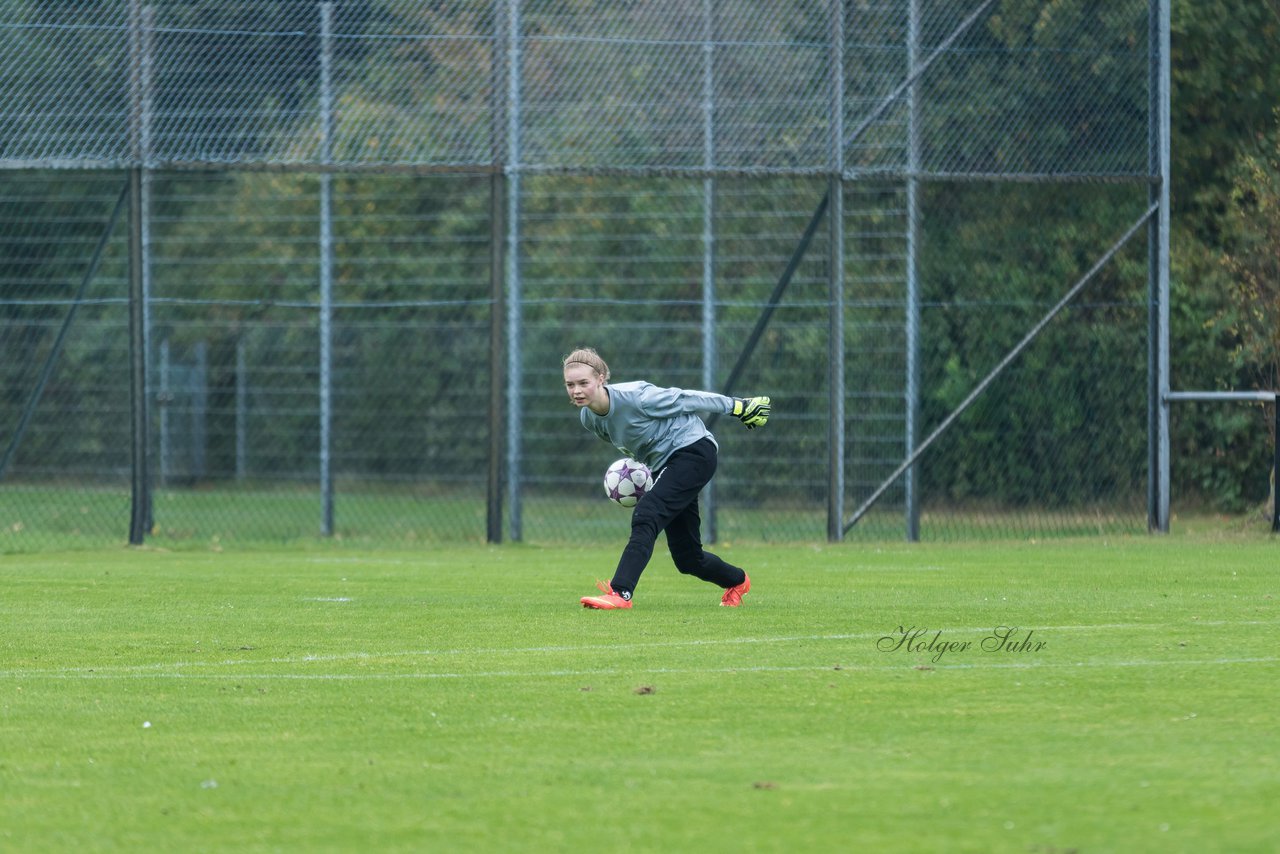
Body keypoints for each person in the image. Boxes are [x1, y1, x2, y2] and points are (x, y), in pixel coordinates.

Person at [562, 347, 771, 610]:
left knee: (646, 513)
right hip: (665, 466)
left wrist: (738, 406)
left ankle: (620, 592)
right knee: (688, 559)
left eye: (584, 383)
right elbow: (632, 441)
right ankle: (737, 581)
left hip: (693, 451)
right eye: (570, 384)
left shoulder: (637, 397)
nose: (576, 390)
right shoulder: (589, 419)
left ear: (601, 378)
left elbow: (688, 399)